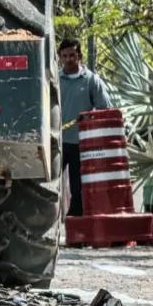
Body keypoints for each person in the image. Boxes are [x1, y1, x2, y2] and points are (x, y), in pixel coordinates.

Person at [59, 39, 112, 216]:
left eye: (72, 55)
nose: (68, 59)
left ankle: (76, 230)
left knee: (77, 188)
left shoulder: (91, 81)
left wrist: (90, 117)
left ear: (79, 56)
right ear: (59, 58)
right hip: (56, 144)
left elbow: (105, 108)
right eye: (64, 56)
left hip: (80, 144)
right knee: (48, 185)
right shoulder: (54, 80)